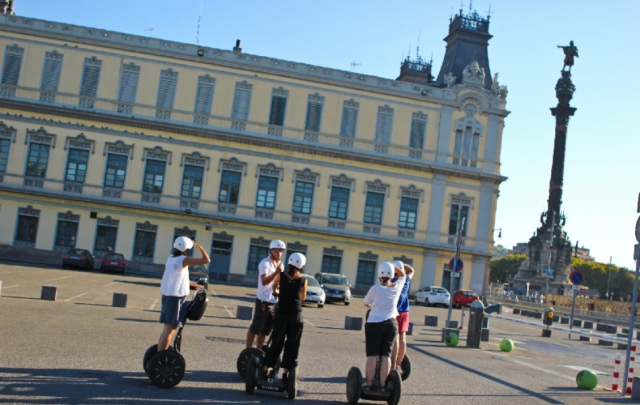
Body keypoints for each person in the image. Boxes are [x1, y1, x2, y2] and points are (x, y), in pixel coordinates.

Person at [260, 252, 308, 383]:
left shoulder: (281, 276)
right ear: (302, 265)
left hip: (281, 315)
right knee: (292, 344)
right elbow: (302, 298)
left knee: (276, 342)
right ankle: (286, 374)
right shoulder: (303, 280)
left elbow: (274, 289)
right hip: (296, 316)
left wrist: (279, 294)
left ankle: (265, 369)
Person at [157, 236, 211, 351]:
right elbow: (206, 260)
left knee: (166, 329)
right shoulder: (183, 260)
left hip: (167, 297)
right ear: (186, 248)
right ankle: (160, 357)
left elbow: (180, 279)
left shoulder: (171, 258)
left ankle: (159, 354)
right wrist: (199, 246)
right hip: (176, 299)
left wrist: (197, 286)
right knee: (170, 330)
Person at [363, 262, 406, 392]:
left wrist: (371, 305)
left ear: (379, 275)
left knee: (372, 355)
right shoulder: (397, 287)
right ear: (392, 274)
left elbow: (366, 302)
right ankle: (382, 386)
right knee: (385, 356)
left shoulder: (375, 289)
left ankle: (369, 384)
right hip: (391, 324)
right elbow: (403, 275)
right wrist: (393, 267)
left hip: (374, 323)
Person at [246, 239, 286, 349]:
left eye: (281, 251)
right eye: (276, 250)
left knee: (265, 330)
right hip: (263, 300)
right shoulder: (265, 263)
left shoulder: (280, 264)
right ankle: (248, 351)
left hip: (274, 301)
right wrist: (277, 272)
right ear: (271, 250)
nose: (279, 253)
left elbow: (278, 282)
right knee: (255, 328)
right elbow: (264, 282)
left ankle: (258, 351)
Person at [390, 260, 415, 371]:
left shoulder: (392, 281)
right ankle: (399, 363)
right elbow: (411, 270)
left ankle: (393, 364)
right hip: (405, 311)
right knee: (403, 337)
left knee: (394, 338)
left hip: (394, 311)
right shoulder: (406, 280)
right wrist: (402, 265)